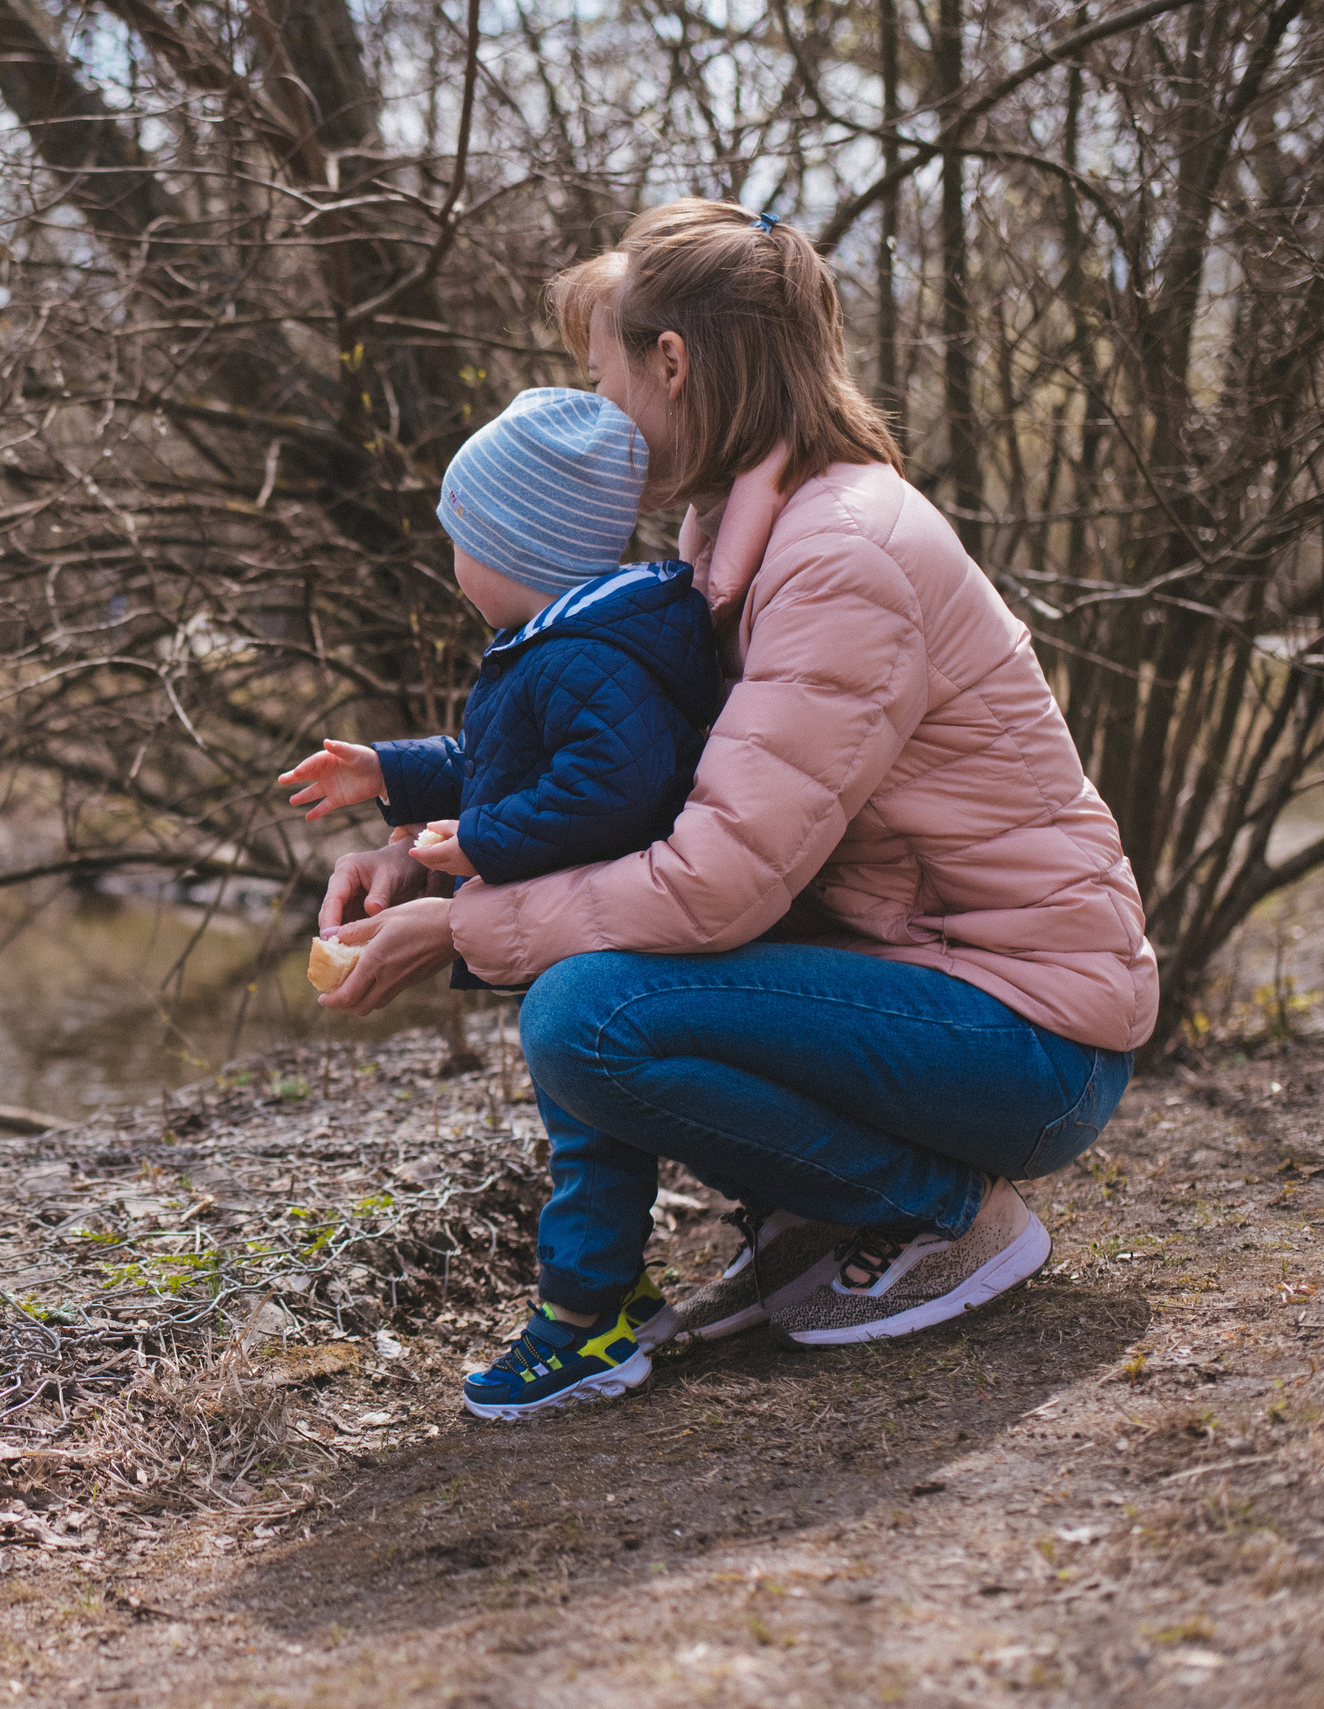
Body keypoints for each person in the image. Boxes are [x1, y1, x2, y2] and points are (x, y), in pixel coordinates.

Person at [312, 199, 1154, 1417]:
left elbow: (716, 878)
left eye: (600, 375)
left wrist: (463, 927)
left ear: (672, 362)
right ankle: (831, 1210)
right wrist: (428, 847)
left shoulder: (837, 556)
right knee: (590, 986)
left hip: (1030, 1035)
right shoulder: (735, 535)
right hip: (932, 979)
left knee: (589, 1016)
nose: (597, 410)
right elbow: (656, 799)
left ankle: (937, 1209)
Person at [279, 386, 721, 1417]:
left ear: (521, 549)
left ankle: (585, 1323)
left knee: (588, 1139)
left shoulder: (583, 656)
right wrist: (390, 772)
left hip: (600, 939)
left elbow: (606, 788)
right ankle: (614, 1293)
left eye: (459, 542)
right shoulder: (569, 642)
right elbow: (500, 759)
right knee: (589, 1132)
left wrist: (476, 840)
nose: (450, 566)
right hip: (586, 923)